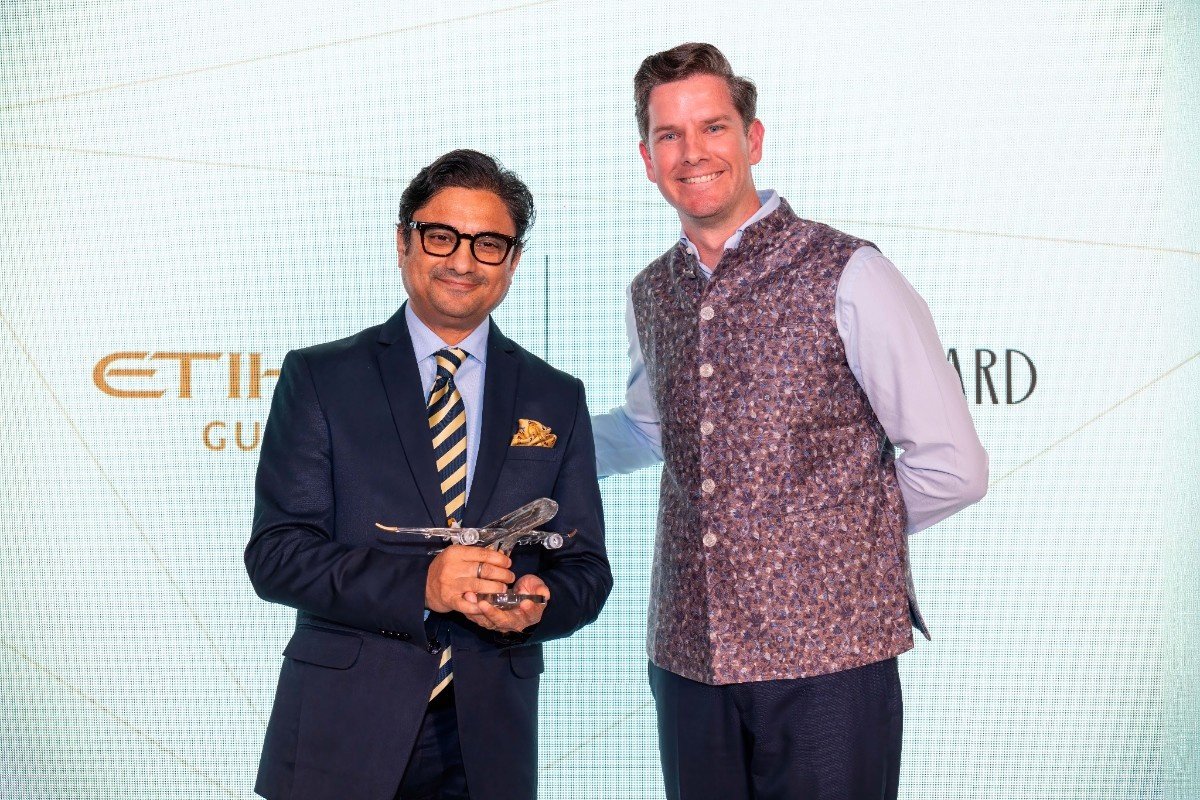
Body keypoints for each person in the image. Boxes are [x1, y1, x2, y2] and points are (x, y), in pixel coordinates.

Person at [592, 43, 988, 800]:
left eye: (713, 127)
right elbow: (649, 431)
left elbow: (953, 466)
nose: (692, 152)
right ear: (647, 159)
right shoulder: (651, 291)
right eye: (670, 135)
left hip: (831, 664)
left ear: (753, 139)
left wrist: (831, 545)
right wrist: (521, 445)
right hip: (689, 661)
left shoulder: (850, 272)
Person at [246, 149, 611, 800]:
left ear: (513, 261)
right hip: (341, 733)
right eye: (441, 236)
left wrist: (539, 602)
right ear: (403, 242)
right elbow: (277, 556)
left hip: (488, 743)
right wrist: (424, 584)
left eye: (489, 243)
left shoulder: (555, 395)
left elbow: (585, 570)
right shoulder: (321, 377)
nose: (463, 261)